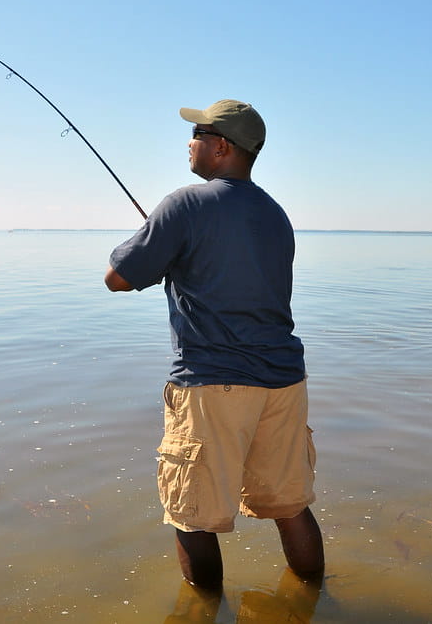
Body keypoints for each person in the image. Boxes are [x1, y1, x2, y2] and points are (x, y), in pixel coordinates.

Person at [104, 99, 324, 592]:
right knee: (290, 506)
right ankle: (317, 600)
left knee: (192, 515)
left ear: (221, 146)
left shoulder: (184, 204)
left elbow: (117, 278)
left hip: (212, 385)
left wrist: (152, 237)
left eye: (198, 133)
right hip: (283, 382)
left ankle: (206, 610)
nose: (190, 141)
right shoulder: (275, 214)